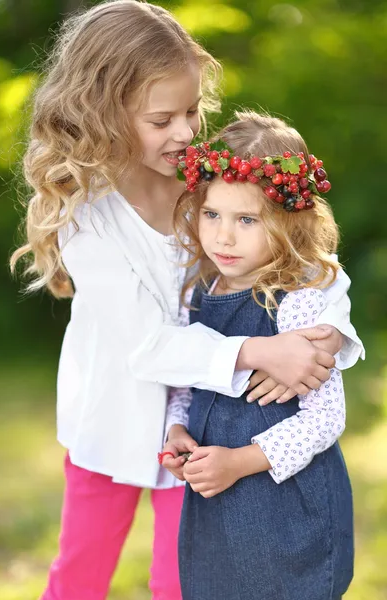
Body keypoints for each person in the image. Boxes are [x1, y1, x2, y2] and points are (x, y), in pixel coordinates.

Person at [10, 2, 363, 599]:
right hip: (113, 421)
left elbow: (300, 256)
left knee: (183, 582)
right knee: (80, 577)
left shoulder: (207, 190)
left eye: (192, 110)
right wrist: (261, 351)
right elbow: (149, 345)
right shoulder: (88, 216)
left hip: (201, 432)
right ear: (104, 113)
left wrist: (325, 330)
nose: (184, 131)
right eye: (161, 118)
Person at [162, 110, 359, 600]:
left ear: (291, 221)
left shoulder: (299, 301)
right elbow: (188, 382)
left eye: (247, 220)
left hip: (287, 510)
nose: (223, 236)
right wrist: (178, 428)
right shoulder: (200, 292)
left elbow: (325, 418)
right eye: (212, 214)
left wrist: (240, 461)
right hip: (218, 512)